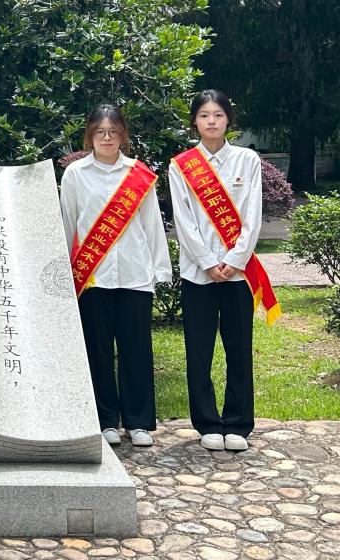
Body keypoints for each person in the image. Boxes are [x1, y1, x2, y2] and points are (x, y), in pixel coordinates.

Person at [169, 89, 279, 452]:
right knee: (199, 352)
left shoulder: (247, 160)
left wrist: (234, 260)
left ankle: (237, 424)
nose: (211, 121)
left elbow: (252, 216)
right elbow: (184, 221)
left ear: (228, 119)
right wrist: (206, 260)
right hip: (197, 274)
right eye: (204, 115)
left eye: (218, 114)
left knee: (239, 349)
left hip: (238, 274)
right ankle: (207, 424)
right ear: (194, 121)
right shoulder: (181, 165)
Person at [60, 104, 172, 448]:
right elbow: (68, 223)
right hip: (93, 277)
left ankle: (138, 421)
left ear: (123, 135)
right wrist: (64, 273)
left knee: (136, 349)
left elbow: (152, 225)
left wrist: (160, 270)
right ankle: (105, 420)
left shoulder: (139, 174)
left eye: (113, 132)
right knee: (98, 350)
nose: (106, 138)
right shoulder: (75, 174)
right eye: (99, 132)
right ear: (89, 135)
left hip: (135, 274)